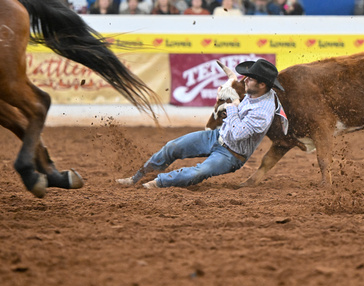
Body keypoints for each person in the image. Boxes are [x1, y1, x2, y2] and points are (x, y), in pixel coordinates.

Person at [116, 59, 284, 189]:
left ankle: (158, 182)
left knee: (199, 171)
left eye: (250, 78)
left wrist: (233, 107)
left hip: (232, 155)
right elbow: (238, 101)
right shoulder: (256, 92)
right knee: (172, 146)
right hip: (217, 136)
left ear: (262, 85)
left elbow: (238, 133)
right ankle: (137, 178)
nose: (245, 79)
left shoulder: (262, 112)